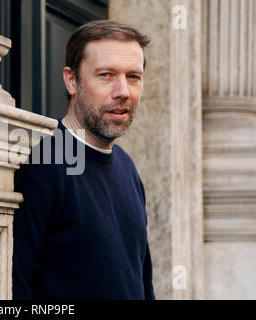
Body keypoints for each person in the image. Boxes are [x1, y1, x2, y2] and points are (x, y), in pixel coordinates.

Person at [12, 20, 155, 300]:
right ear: (71, 80)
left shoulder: (128, 169)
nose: (123, 91)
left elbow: (143, 282)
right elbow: (15, 288)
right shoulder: (43, 162)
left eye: (133, 77)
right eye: (106, 75)